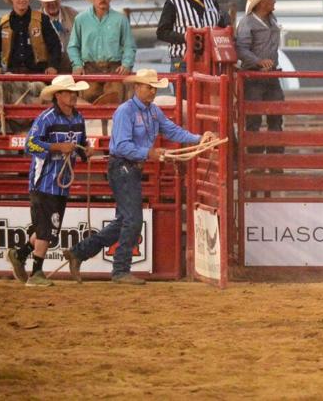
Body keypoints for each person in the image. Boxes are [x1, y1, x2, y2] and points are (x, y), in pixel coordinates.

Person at [63, 69, 214, 285]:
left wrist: (199, 139)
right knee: (133, 220)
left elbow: (172, 130)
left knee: (124, 221)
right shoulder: (126, 111)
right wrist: (149, 153)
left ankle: (79, 252)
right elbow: (123, 146)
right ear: (137, 88)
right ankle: (120, 270)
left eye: (154, 87)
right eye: (148, 87)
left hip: (130, 168)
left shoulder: (153, 112)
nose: (152, 91)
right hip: (122, 167)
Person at [5, 75, 92, 286]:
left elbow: (81, 142)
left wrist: (85, 152)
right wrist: (57, 147)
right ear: (58, 95)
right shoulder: (47, 118)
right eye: (69, 92)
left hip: (61, 182)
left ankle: (20, 254)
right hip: (43, 181)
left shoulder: (78, 119)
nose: (73, 96)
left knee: (48, 229)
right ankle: (36, 273)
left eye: (74, 92)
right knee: (47, 229)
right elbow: (30, 145)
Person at [236, 0, 284, 158]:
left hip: (270, 75)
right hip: (254, 77)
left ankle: (273, 159)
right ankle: (257, 159)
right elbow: (240, 49)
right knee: (254, 119)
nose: (274, 1)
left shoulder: (271, 19)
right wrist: (258, 62)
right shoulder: (247, 23)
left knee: (276, 117)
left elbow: (241, 49)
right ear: (262, 2)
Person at [69, 0, 135, 104]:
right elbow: (73, 46)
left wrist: (126, 64)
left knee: (115, 104)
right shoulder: (80, 19)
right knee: (88, 104)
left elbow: (129, 46)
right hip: (89, 69)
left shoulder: (120, 20)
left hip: (114, 69)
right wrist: (77, 64)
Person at [157, 0, 220, 72]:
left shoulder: (212, 2)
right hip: (182, 61)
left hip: (209, 60)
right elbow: (162, 32)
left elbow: (220, 27)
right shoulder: (173, 1)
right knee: (184, 91)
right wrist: (184, 37)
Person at [0, 0, 61, 75]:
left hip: (38, 74)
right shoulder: (3, 22)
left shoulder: (42, 19)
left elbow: (55, 45)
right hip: (12, 74)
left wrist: (53, 66)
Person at [34, 0, 77, 74]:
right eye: (48, 1)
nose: (52, 3)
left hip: (73, 71)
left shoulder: (73, 14)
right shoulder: (34, 20)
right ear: (41, 2)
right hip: (47, 73)